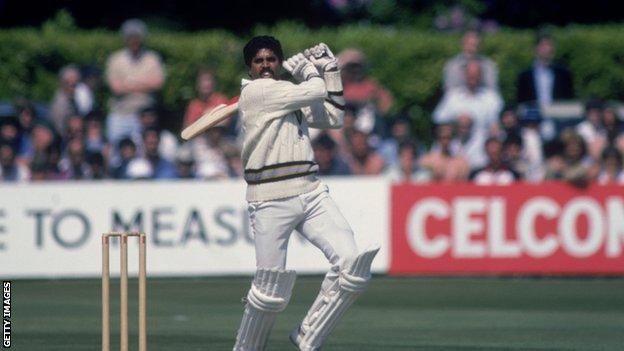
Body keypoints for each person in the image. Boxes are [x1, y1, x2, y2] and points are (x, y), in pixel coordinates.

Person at [232, 36, 379, 351]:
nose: (265, 65)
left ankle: (308, 335)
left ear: (279, 62)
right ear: (250, 67)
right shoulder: (256, 91)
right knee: (269, 290)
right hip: (269, 198)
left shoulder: (289, 96)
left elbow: (334, 117)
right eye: (259, 61)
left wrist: (331, 71)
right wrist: (312, 71)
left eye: (271, 59)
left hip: (311, 192)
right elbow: (314, 90)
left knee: (352, 266)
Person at [105, 19, 165, 153]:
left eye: (137, 37)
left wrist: (129, 84)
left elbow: (158, 83)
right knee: (116, 152)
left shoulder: (152, 58)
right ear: (125, 39)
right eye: (130, 38)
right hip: (121, 114)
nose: (134, 41)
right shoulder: (115, 59)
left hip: (146, 117)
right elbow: (116, 88)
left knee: (143, 152)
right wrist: (144, 84)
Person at [433, 59, 503, 134]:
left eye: (476, 75)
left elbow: (498, 124)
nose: (472, 78)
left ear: (481, 76)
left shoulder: (491, 97)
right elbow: (438, 119)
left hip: (483, 143)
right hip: (456, 143)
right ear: (464, 75)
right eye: (470, 75)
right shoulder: (452, 96)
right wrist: (456, 121)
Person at [516, 30, 574, 106]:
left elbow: (569, 100)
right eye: (543, 45)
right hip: (533, 116)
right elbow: (521, 103)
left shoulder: (564, 74)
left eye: (550, 45)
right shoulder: (524, 76)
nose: (547, 49)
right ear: (536, 48)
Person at [49, 64, 81, 135]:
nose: (73, 88)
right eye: (71, 84)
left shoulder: (72, 100)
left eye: (75, 84)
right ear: (63, 83)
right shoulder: (59, 104)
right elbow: (60, 130)